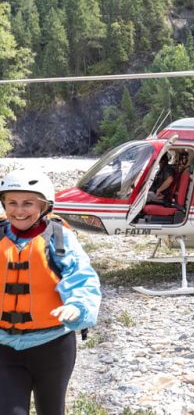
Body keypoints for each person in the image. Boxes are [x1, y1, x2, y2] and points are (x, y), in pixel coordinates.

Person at [0, 169, 101, 415]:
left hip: (53, 346)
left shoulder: (59, 238)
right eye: (11, 203)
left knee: (51, 410)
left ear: (45, 206)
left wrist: (77, 306)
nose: (19, 210)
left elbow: (82, 279)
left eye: (28, 203)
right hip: (4, 347)